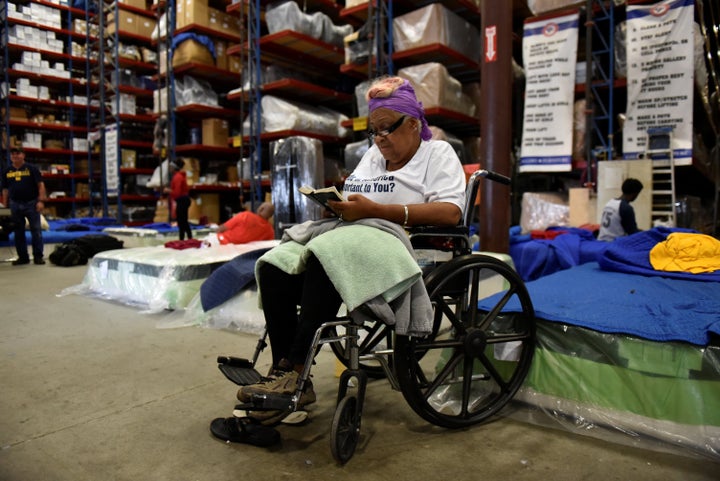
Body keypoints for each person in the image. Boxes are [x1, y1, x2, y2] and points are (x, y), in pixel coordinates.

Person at [233, 76, 466, 424]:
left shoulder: (437, 154)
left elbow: (451, 212)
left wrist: (374, 210)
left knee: (327, 255)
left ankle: (295, 371)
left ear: (414, 123)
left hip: (405, 243)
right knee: (274, 264)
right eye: (374, 130)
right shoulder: (374, 155)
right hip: (355, 233)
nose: (379, 138)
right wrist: (338, 205)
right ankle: (284, 368)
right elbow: (355, 196)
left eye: (387, 128)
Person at [1, 144, 47, 265]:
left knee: (36, 231)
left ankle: (38, 256)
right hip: (14, 205)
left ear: (23, 155)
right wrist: (5, 207)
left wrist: (41, 201)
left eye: (18, 153)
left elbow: (40, 185)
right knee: (18, 232)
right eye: (13, 154)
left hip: (31, 204)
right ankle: (23, 257)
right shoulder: (7, 171)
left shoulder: (31, 169)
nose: (15, 156)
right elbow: (5, 190)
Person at [166, 160, 192, 241]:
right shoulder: (178, 176)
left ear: (174, 168)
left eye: (170, 167)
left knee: (182, 221)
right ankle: (187, 238)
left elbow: (177, 193)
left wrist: (168, 191)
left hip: (182, 200)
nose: (169, 168)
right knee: (183, 221)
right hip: (183, 200)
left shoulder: (178, 177)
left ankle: (184, 239)